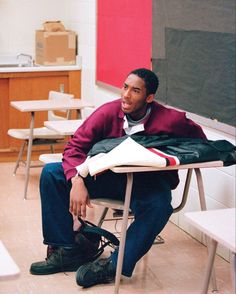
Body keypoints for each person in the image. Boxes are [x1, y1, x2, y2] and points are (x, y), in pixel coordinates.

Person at [30, 68, 206, 287]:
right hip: (110, 178)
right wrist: (77, 180)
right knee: (51, 174)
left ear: (149, 98)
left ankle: (115, 264)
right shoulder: (107, 112)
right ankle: (68, 251)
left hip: (148, 183)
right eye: (125, 87)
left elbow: (200, 143)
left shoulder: (171, 119)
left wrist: (169, 155)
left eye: (135, 91)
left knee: (160, 205)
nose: (125, 95)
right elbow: (75, 147)